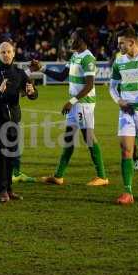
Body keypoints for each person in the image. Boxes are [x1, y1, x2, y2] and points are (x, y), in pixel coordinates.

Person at [30, 28, 108, 187]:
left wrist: (71, 102)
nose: (70, 41)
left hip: (84, 104)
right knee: (68, 138)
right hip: (75, 103)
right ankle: (58, 176)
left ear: (81, 40)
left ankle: (102, 176)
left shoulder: (88, 59)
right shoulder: (74, 56)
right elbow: (61, 77)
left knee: (89, 138)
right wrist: (42, 69)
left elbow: (89, 85)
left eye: (73, 38)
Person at [0, 41, 38, 202]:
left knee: (11, 155)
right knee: (1, 155)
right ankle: (2, 191)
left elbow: (33, 93)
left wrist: (32, 92)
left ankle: (9, 189)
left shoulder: (20, 74)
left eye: (8, 52)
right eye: (3, 52)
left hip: (13, 120)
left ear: (14, 54)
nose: (6, 55)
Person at [109, 27, 138, 204]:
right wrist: (119, 101)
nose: (119, 47)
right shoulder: (119, 61)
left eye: (121, 44)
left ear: (131, 42)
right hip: (126, 111)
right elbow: (112, 86)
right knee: (126, 150)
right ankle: (127, 192)